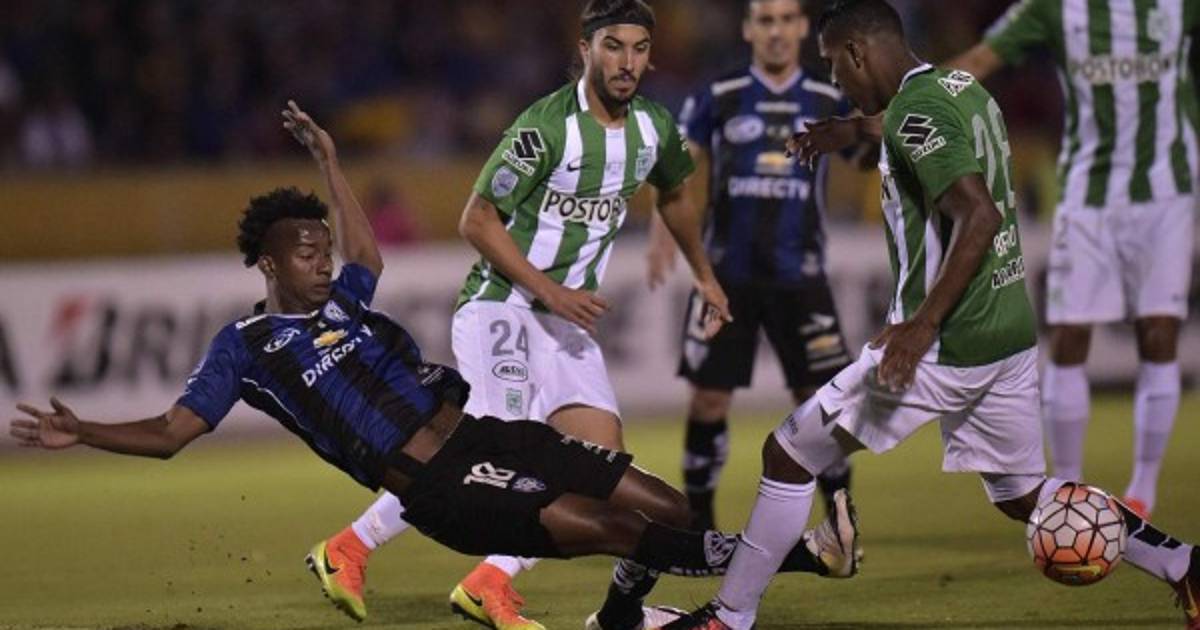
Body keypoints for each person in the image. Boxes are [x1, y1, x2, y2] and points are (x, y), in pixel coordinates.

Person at [8, 100, 857, 627]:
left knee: (661, 503)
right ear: (266, 264)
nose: (321, 261)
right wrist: (85, 430)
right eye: (303, 252)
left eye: (322, 248)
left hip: (490, 435)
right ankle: (802, 556)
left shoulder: (345, 302)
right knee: (612, 529)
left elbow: (367, 255)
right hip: (445, 485)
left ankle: (626, 618)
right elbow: (171, 432)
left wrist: (330, 162)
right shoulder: (247, 348)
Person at [660, 2, 1200, 629]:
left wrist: (922, 325)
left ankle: (729, 616)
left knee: (788, 453)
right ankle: (1183, 563)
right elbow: (919, 124)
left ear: (858, 52)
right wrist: (853, 130)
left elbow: (978, 215)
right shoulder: (959, 87)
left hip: (945, 344)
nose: (836, 80)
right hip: (1006, 334)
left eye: (834, 65)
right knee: (1023, 494)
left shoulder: (919, 112)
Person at [941, 0, 1199, 522]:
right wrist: (910, 100)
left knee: (1159, 332)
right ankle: (1070, 491)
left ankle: (1142, 490)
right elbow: (979, 61)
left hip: (1166, 193)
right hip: (1088, 194)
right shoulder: (1054, 7)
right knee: (1070, 335)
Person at [645, 0, 858, 531]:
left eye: (786, 19)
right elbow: (677, 167)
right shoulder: (720, 93)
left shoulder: (828, 97)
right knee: (708, 400)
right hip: (725, 278)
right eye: (766, 20)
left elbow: (871, 156)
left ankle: (840, 519)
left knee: (821, 403)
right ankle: (698, 528)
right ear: (748, 29)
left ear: (802, 27)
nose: (777, 30)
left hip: (801, 277)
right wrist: (660, 232)